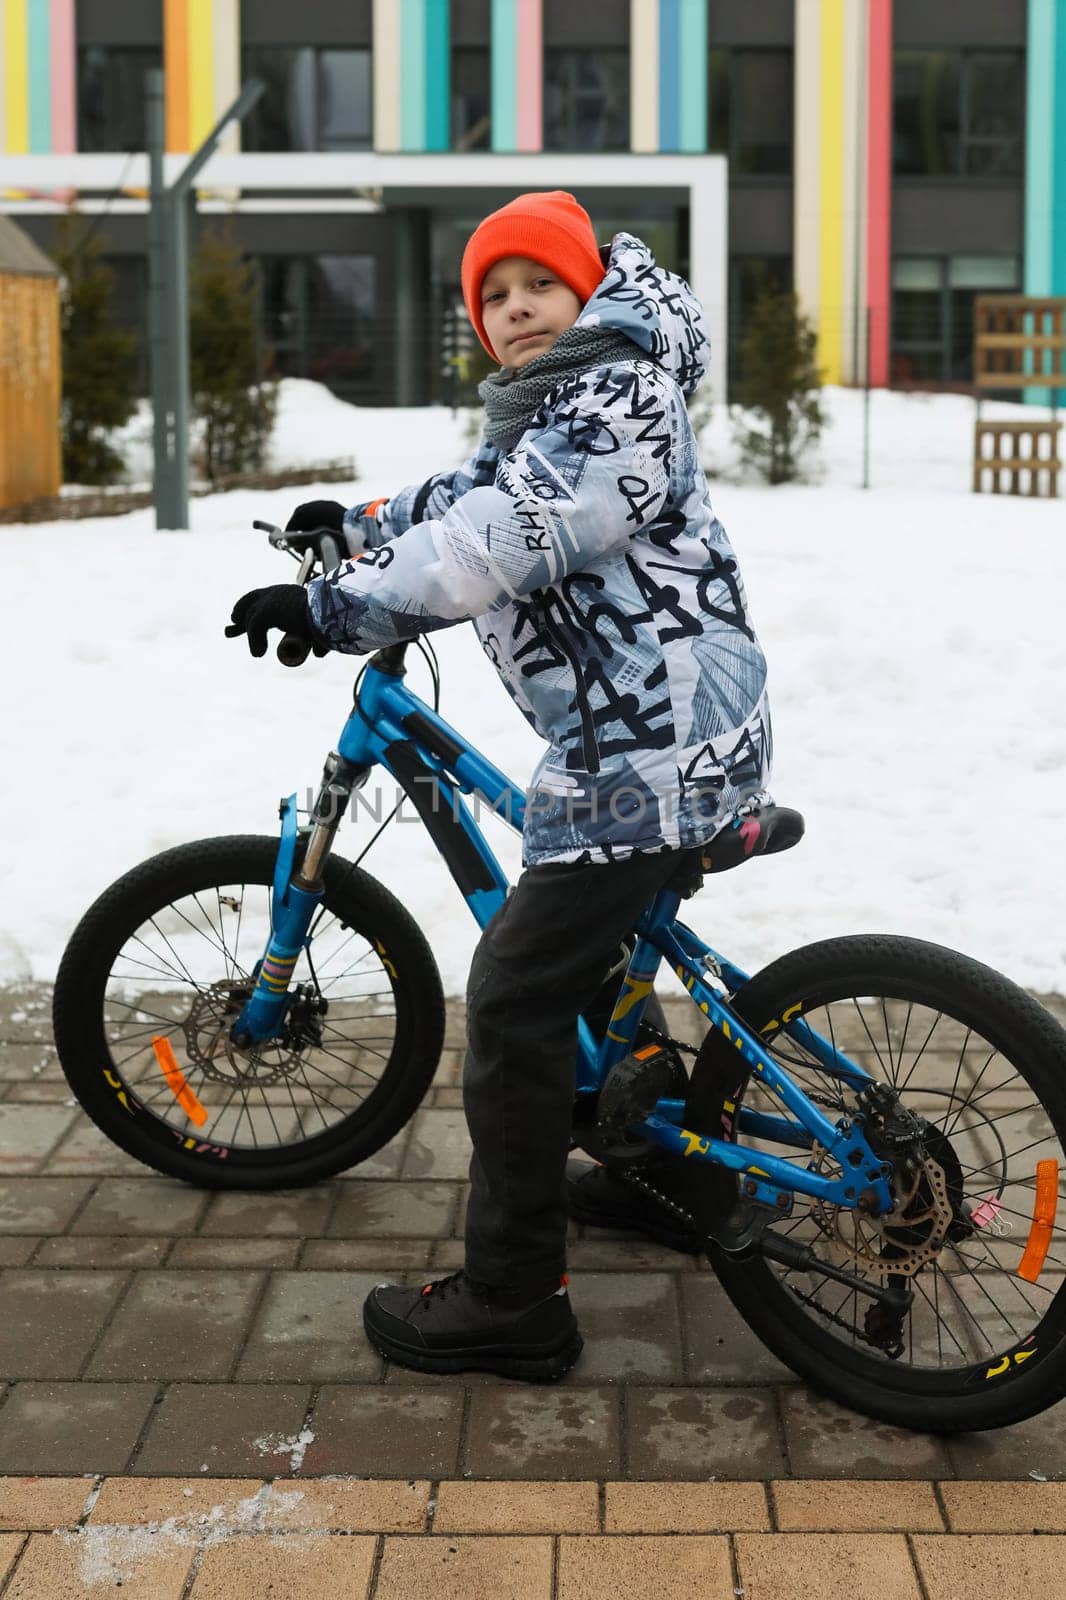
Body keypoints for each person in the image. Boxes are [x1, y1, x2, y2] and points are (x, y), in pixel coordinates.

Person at [226, 190, 772, 1382]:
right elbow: (464, 498)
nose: (517, 308)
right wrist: (358, 521)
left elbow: (503, 537)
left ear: (586, 294)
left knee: (518, 999)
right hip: (654, 739)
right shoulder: (561, 397)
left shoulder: (620, 392)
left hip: (650, 751)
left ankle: (513, 1294)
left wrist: (334, 608)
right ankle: (665, 1165)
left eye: (539, 286)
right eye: (493, 296)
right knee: (614, 952)